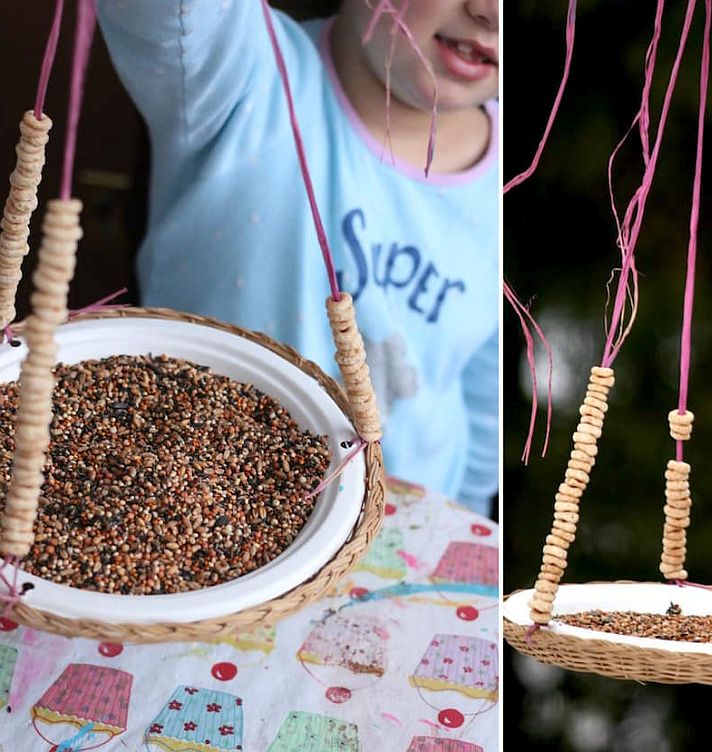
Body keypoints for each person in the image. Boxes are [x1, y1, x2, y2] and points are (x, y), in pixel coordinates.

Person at [94, 0, 500, 516]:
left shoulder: (508, 180)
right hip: (202, 516)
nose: (490, 13)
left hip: (410, 539)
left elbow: (481, 394)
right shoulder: (241, 71)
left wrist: (471, 526)